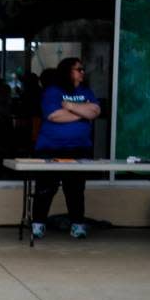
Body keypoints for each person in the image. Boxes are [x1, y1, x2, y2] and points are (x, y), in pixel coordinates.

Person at [30, 57, 101, 240]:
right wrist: (82, 111)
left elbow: (95, 111)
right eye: (79, 69)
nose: (83, 72)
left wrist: (70, 107)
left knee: (76, 188)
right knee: (46, 188)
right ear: (68, 71)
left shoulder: (86, 91)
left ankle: (77, 225)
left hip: (79, 148)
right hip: (51, 148)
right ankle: (38, 224)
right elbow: (54, 116)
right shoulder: (53, 92)